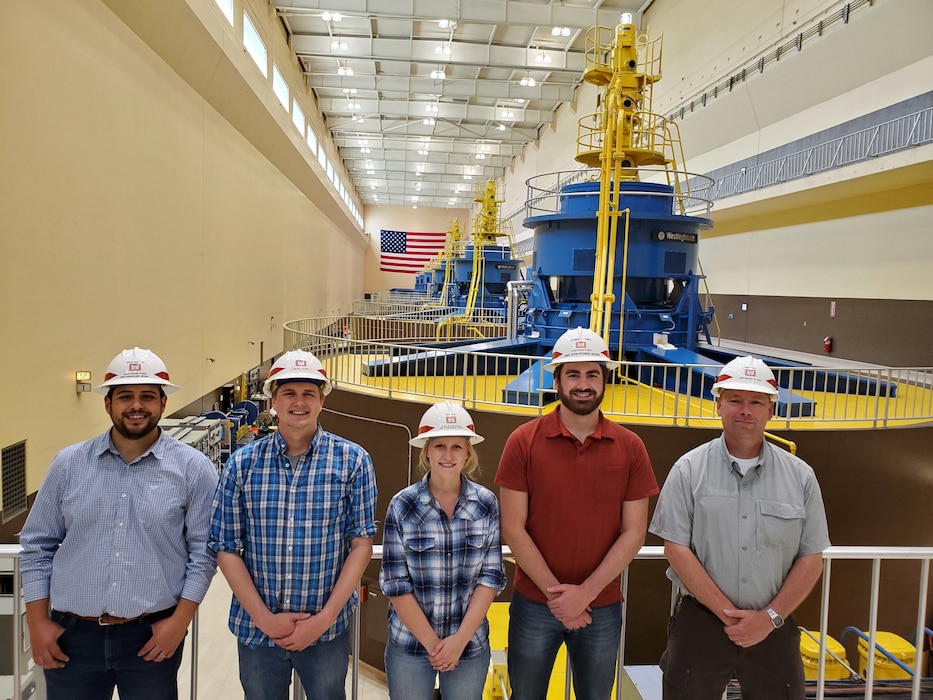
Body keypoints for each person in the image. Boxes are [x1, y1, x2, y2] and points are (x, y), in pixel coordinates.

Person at [19, 347, 219, 700]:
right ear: (108, 404)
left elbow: (204, 553)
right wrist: (37, 621)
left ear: (163, 404)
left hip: (151, 635)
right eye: (125, 396)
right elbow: (37, 545)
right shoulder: (68, 465)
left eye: (147, 397)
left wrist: (179, 623)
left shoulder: (193, 469)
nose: (136, 406)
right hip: (71, 636)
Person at [649, 355, 831, 699]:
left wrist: (769, 618)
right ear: (718, 406)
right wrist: (727, 614)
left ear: (771, 411)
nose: (744, 410)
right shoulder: (688, 470)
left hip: (774, 626)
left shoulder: (801, 477)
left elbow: (811, 556)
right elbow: (675, 548)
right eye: (734, 400)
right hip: (701, 623)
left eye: (755, 401)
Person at [495, 327, 659, 700]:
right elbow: (514, 528)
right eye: (573, 374)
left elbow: (634, 532)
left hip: (601, 608)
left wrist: (583, 595)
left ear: (605, 380)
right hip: (535, 605)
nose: (583, 384)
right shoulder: (523, 441)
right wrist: (560, 598)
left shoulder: (631, 447)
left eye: (592, 374)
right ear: (556, 380)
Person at [210, 349, 378, 700]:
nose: (298, 402)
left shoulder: (353, 461)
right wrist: (265, 619)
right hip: (258, 632)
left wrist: (324, 619)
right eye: (288, 393)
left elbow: (360, 543)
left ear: (321, 402)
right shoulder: (242, 465)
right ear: (273, 399)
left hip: (326, 633)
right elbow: (226, 547)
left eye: (308, 394)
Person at [380, 401, 507, 700]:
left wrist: (458, 642)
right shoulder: (402, 506)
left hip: (469, 647)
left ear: (468, 453)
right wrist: (435, 644)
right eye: (439, 446)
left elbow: (490, 578)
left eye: (456, 447)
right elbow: (396, 584)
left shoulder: (486, 504)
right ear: (426, 451)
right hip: (410, 646)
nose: (448, 455)